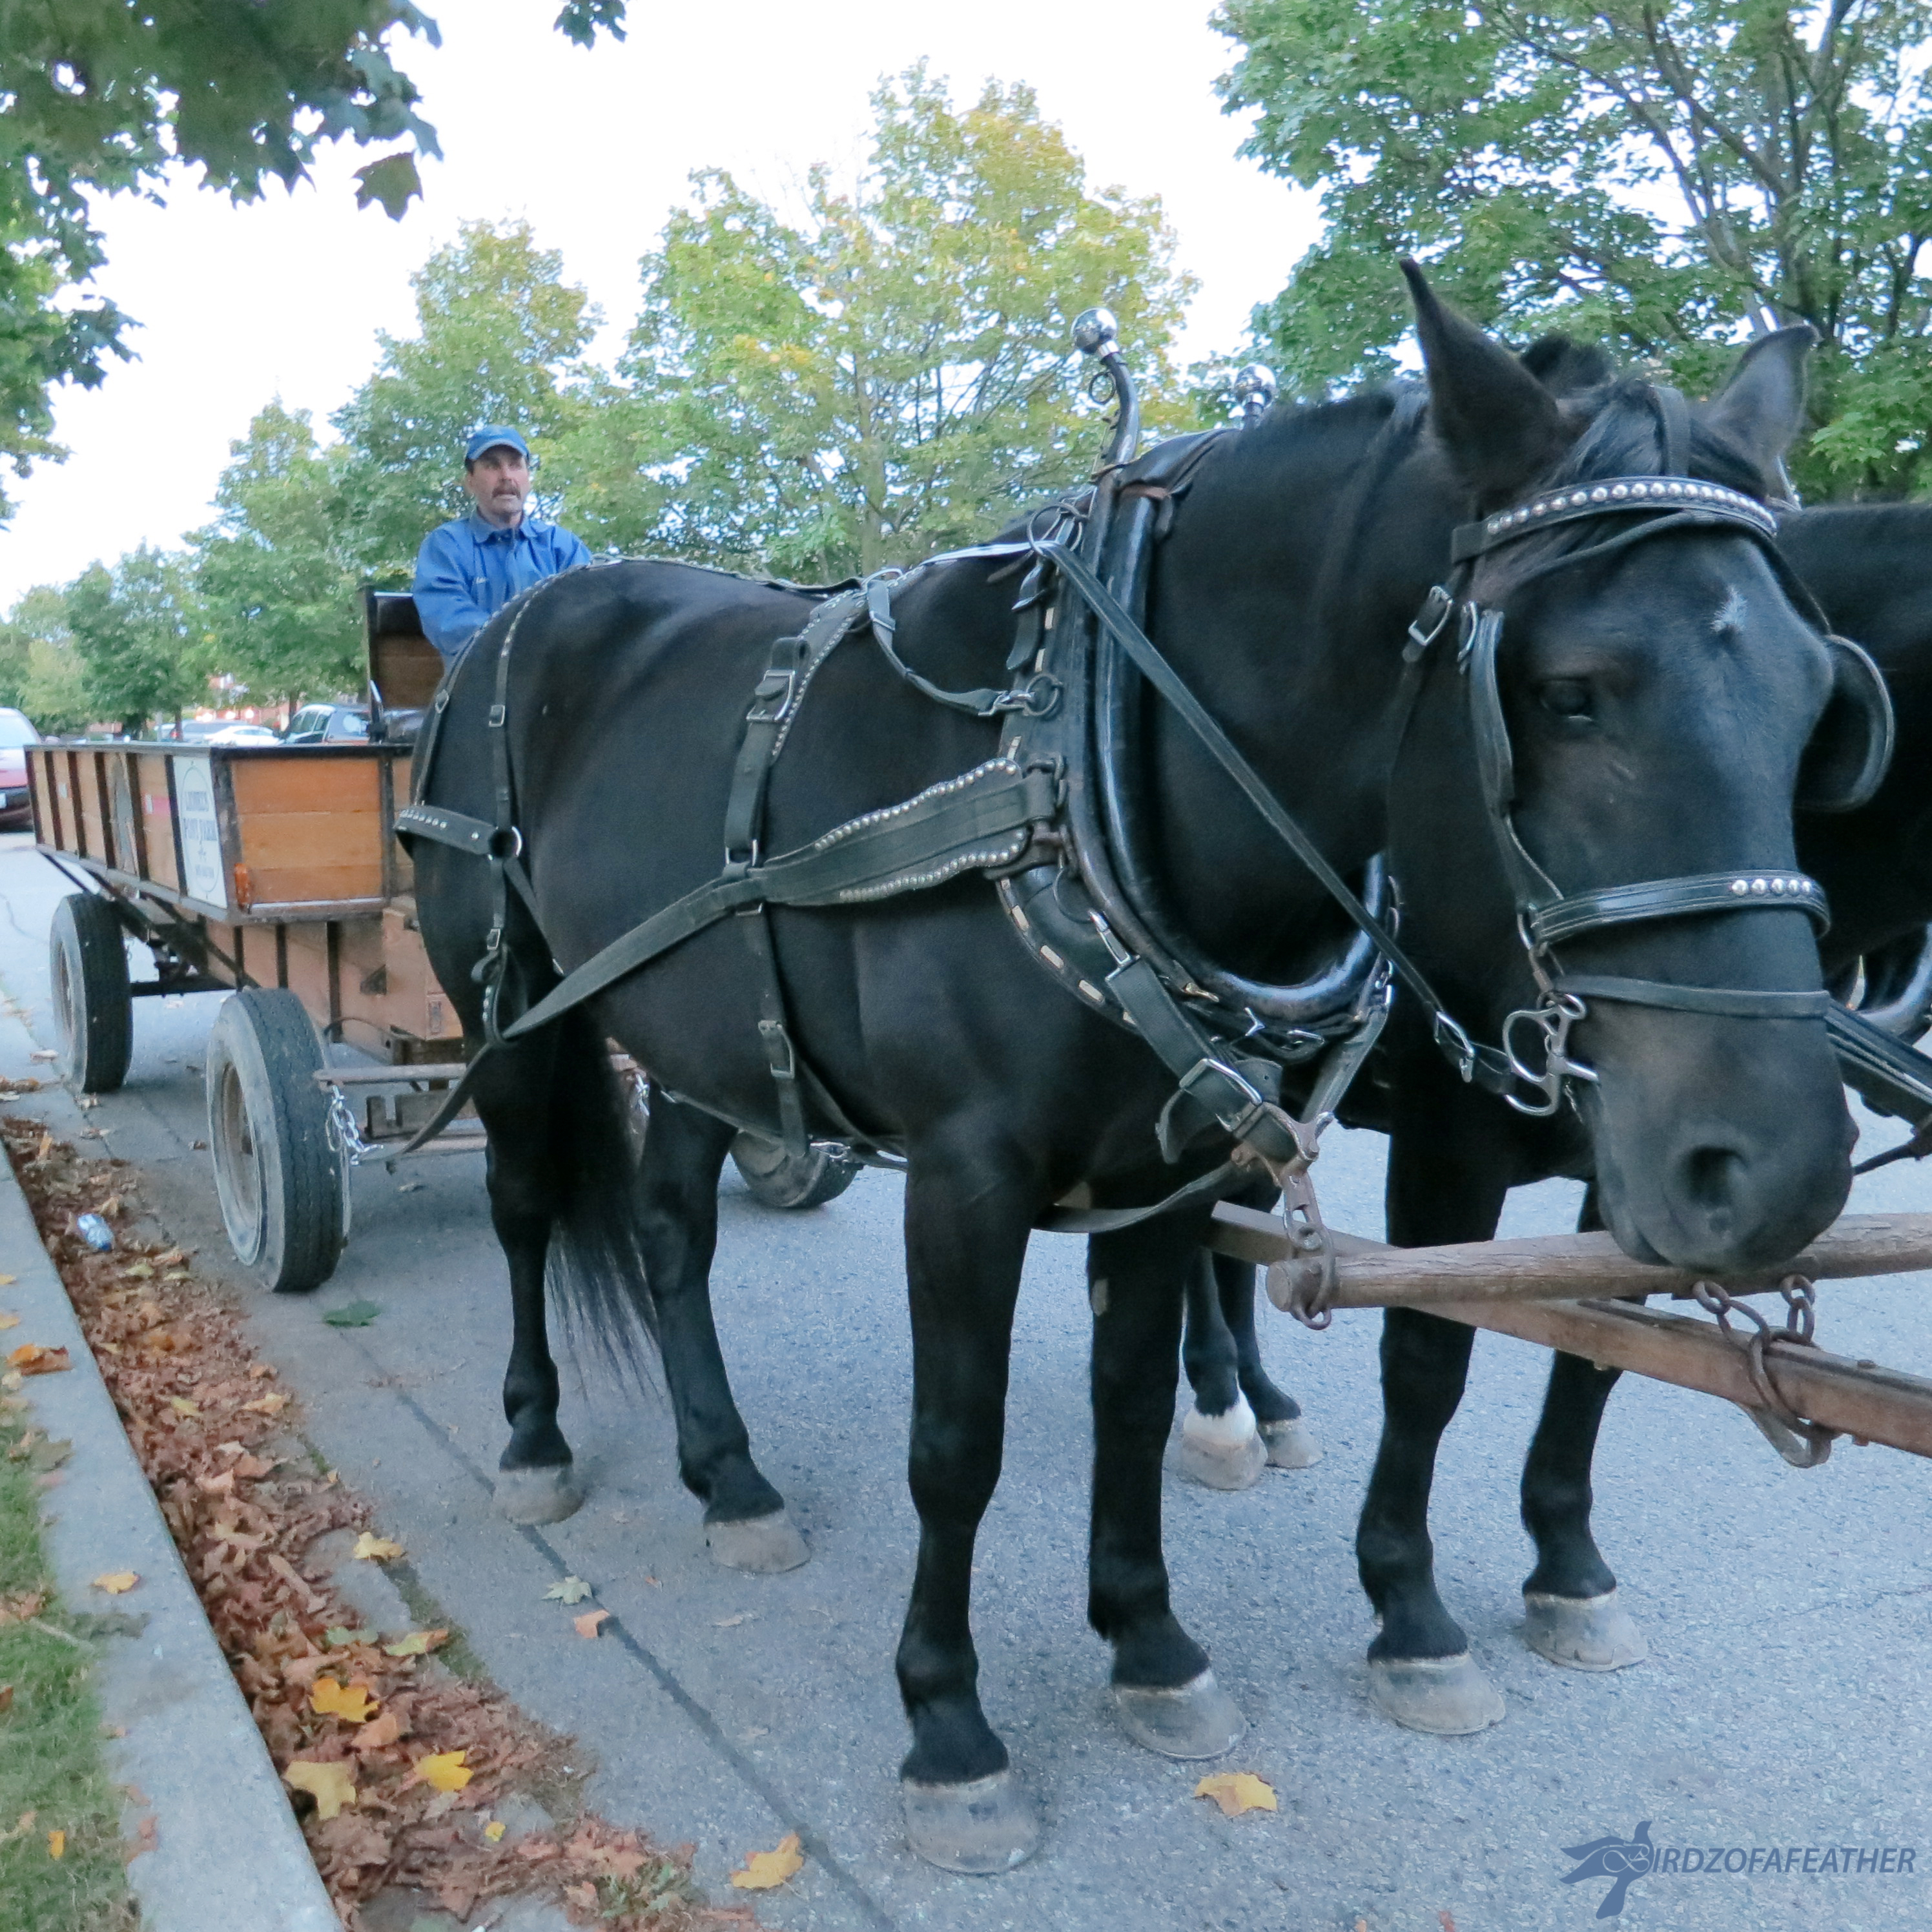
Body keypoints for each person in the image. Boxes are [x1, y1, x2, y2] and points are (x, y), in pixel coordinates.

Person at [411, 427, 591, 662]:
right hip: (479, 690)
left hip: (559, 689)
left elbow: (592, 612)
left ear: (528, 479)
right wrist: (526, 642)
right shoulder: (446, 546)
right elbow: (449, 622)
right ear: (470, 482)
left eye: (515, 465)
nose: (506, 475)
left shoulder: (563, 546)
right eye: (492, 465)